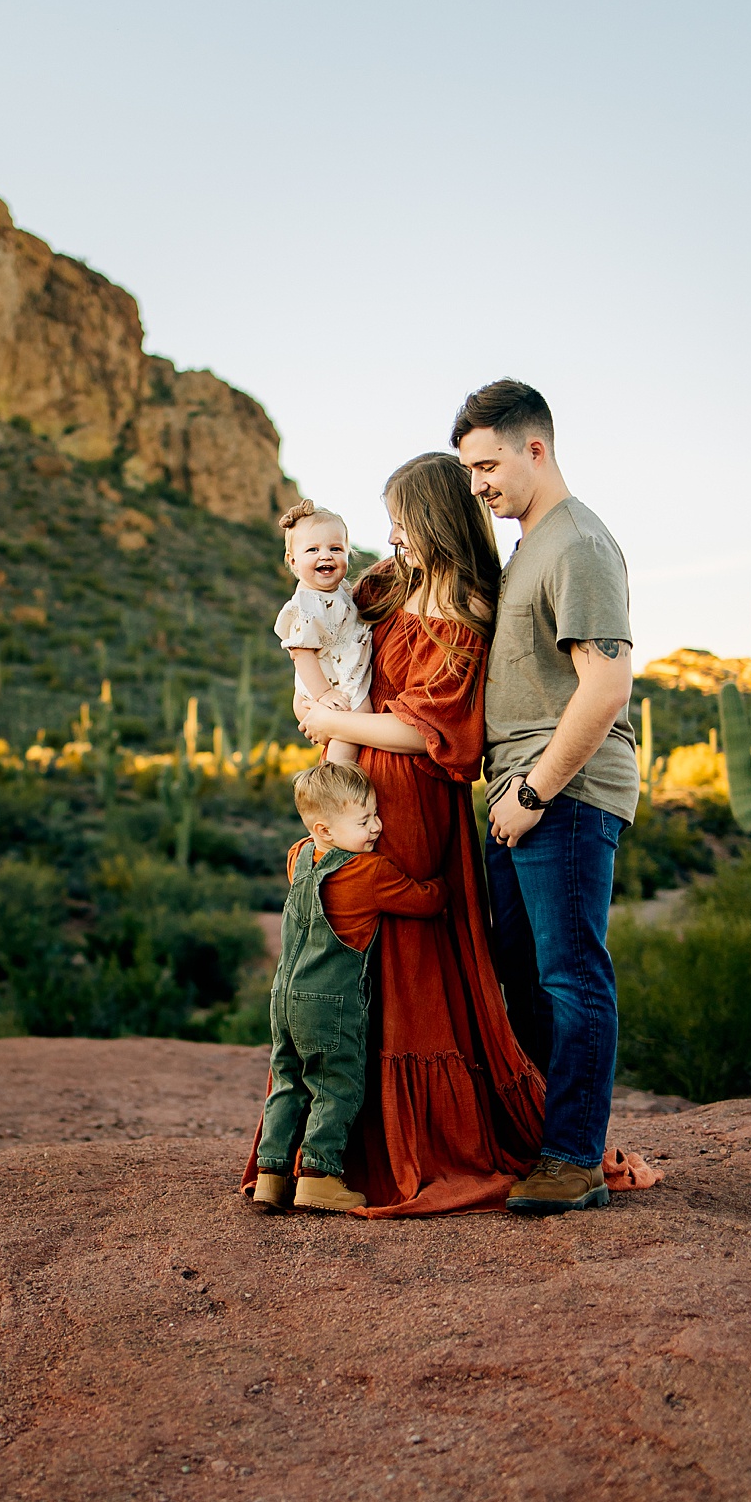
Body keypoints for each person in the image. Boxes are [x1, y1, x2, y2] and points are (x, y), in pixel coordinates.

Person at [246, 453, 546, 1218]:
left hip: (410, 798)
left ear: (435, 521)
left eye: (401, 522)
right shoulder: (386, 584)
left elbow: (432, 731)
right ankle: (319, 1155)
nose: (389, 537)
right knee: (346, 952)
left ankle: (382, 1151)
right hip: (355, 781)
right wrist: (314, 696)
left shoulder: (468, 607)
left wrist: (329, 719)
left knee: (405, 956)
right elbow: (324, 624)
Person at [453, 379, 639, 1216]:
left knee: (570, 976)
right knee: (524, 976)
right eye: (469, 470)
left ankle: (574, 1158)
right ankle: (547, 1138)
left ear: (536, 448)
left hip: (561, 792)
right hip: (520, 794)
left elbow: (606, 686)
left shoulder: (577, 544)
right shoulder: (529, 546)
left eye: (488, 465)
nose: (478, 484)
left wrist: (533, 789)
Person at [253, 762, 446, 1215]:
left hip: (283, 999)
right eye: (364, 821)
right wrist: (444, 882)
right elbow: (425, 902)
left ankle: (271, 1175)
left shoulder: (299, 856)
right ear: (325, 828)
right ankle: (319, 1176)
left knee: (288, 1082)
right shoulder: (371, 872)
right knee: (335, 1086)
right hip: (330, 1003)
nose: (377, 827)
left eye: (376, 814)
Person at [274, 499, 372, 766]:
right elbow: (301, 653)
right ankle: (336, 776)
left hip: (339, 676)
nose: (326, 555)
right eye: (313, 549)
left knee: (354, 725)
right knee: (352, 725)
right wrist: (324, 695)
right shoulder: (307, 604)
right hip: (329, 687)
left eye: (335, 548)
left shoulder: (338, 591)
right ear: (293, 561)